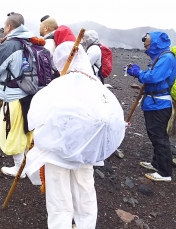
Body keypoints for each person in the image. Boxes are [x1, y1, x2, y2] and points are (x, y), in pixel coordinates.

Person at [25, 41, 125, 229]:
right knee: (85, 192)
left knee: (59, 200)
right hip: (86, 152)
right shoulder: (96, 85)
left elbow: (36, 116)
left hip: (56, 153)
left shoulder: (58, 86)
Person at [0, 12, 34, 178]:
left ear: (9, 27)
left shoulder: (10, 45)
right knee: (26, 129)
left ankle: (19, 169)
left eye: (4, 25)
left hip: (14, 96)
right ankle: (28, 165)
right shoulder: (31, 42)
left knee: (13, 131)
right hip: (31, 93)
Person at [127, 32, 176, 182]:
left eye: (147, 41)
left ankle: (164, 173)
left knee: (159, 137)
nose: (144, 44)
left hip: (159, 103)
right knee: (155, 135)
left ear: (155, 43)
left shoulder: (166, 58)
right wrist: (138, 72)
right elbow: (151, 74)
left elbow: (153, 77)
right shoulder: (159, 57)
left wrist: (138, 72)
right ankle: (157, 164)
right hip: (155, 102)